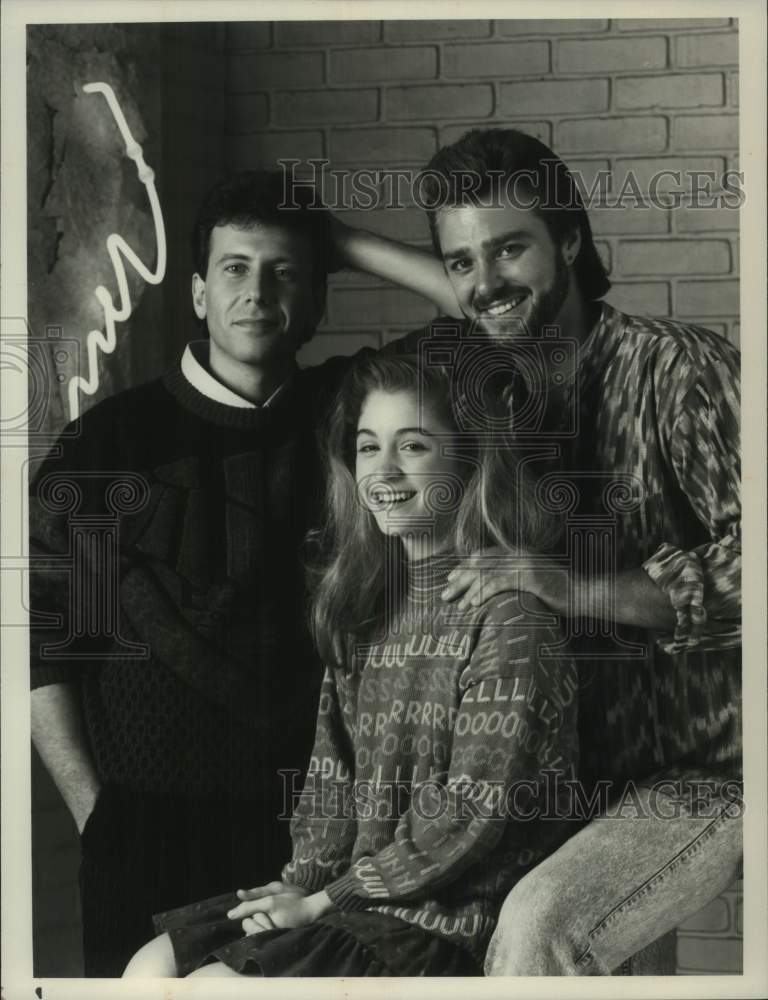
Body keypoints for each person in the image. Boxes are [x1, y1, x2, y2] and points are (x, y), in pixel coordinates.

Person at [330, 128, 743, 975]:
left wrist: (570, 586)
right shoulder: (486, 387)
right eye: (461, 261)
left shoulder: (679, 370)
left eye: (511, 247)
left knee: (536, 928)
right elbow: (487, 296)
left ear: (572, 241)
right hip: (559, 782)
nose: (485, 281)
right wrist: (337, 242)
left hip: (705, 774)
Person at [123, 352, 579, 978]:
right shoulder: (367, 610)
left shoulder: (511, 621)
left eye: (412, 445)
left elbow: (468, 814)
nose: (383, 470)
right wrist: (300, 887)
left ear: (469, 462)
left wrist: (324, 902)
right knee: (149, 969)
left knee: (213, 987)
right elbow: (330, 781)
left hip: (439, 920)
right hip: (348, 901)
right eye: (368, 447)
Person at [28, 170, 357, 976]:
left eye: (285, 273)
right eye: (235, 268)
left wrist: (340, 243)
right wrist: (97, 816)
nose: (257, 293)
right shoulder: (108, 447)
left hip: (310, 838)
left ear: (318, 301)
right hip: (143, 835)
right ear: (199, 294)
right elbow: (49, 653)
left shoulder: (351, 421)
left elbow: (501, 336)